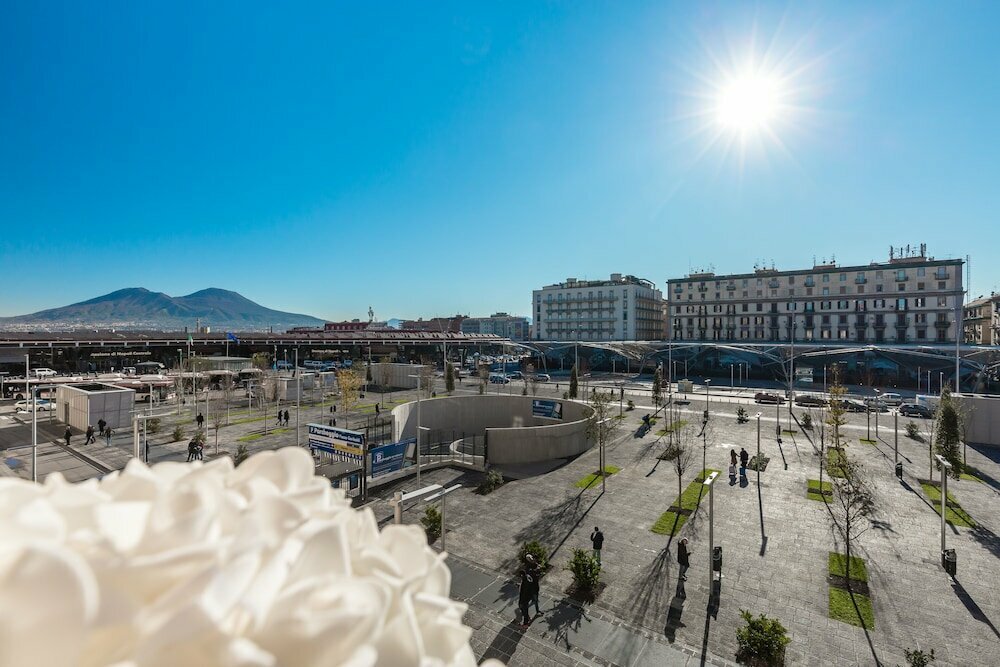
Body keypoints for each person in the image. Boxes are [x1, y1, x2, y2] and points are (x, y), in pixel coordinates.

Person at [517, 562, 538, 628]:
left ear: (521, 575)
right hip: (527, 596)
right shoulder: (527, 577)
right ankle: (527, 618)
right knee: (521, 607)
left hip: (525, 597)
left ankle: (525, 624)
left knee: (524, 608)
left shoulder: (525, 580)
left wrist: (523, 598)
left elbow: (525, 590)